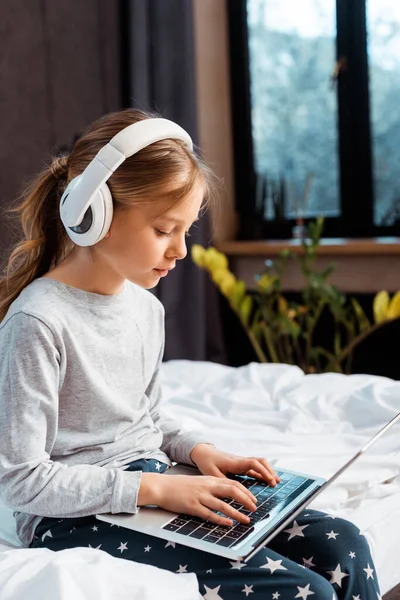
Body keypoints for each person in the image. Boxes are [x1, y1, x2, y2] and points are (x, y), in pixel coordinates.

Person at [0, 109, 381, 600]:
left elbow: (148, 420)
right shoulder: (39, 321)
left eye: (186, 230)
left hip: (152, 482)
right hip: (69, 515)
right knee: (301, 591)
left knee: (345, 547)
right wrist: (156, 490)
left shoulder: (144, 308)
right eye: (163, 230)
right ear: (91, 216)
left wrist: (202, 453)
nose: (180, 250)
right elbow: (20, 480)